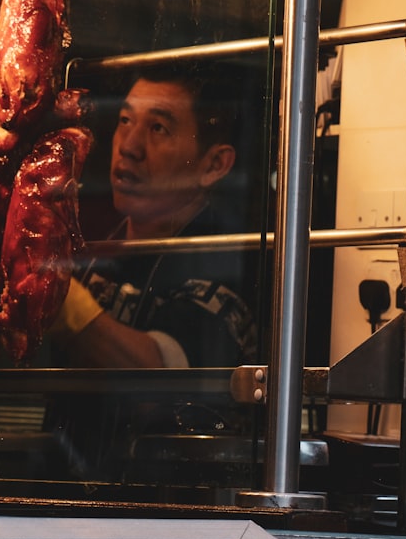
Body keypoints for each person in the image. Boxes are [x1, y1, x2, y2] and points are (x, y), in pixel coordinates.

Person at [44, 62, 263, 480]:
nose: (129, 146)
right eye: (125, 120)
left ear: (214, 165)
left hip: (174, 520)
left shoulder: (225, 259)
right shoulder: (95, 244)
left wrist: (60, 300)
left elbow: (160, 378)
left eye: (158, 128)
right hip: (70, 502)